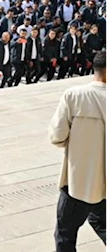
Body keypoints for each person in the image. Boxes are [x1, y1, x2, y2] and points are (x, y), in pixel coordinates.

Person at [49, 50, 107, 251]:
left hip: (79, 182)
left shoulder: (74, 96)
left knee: (65, 233)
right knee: (101, 222)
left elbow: (57, 136)